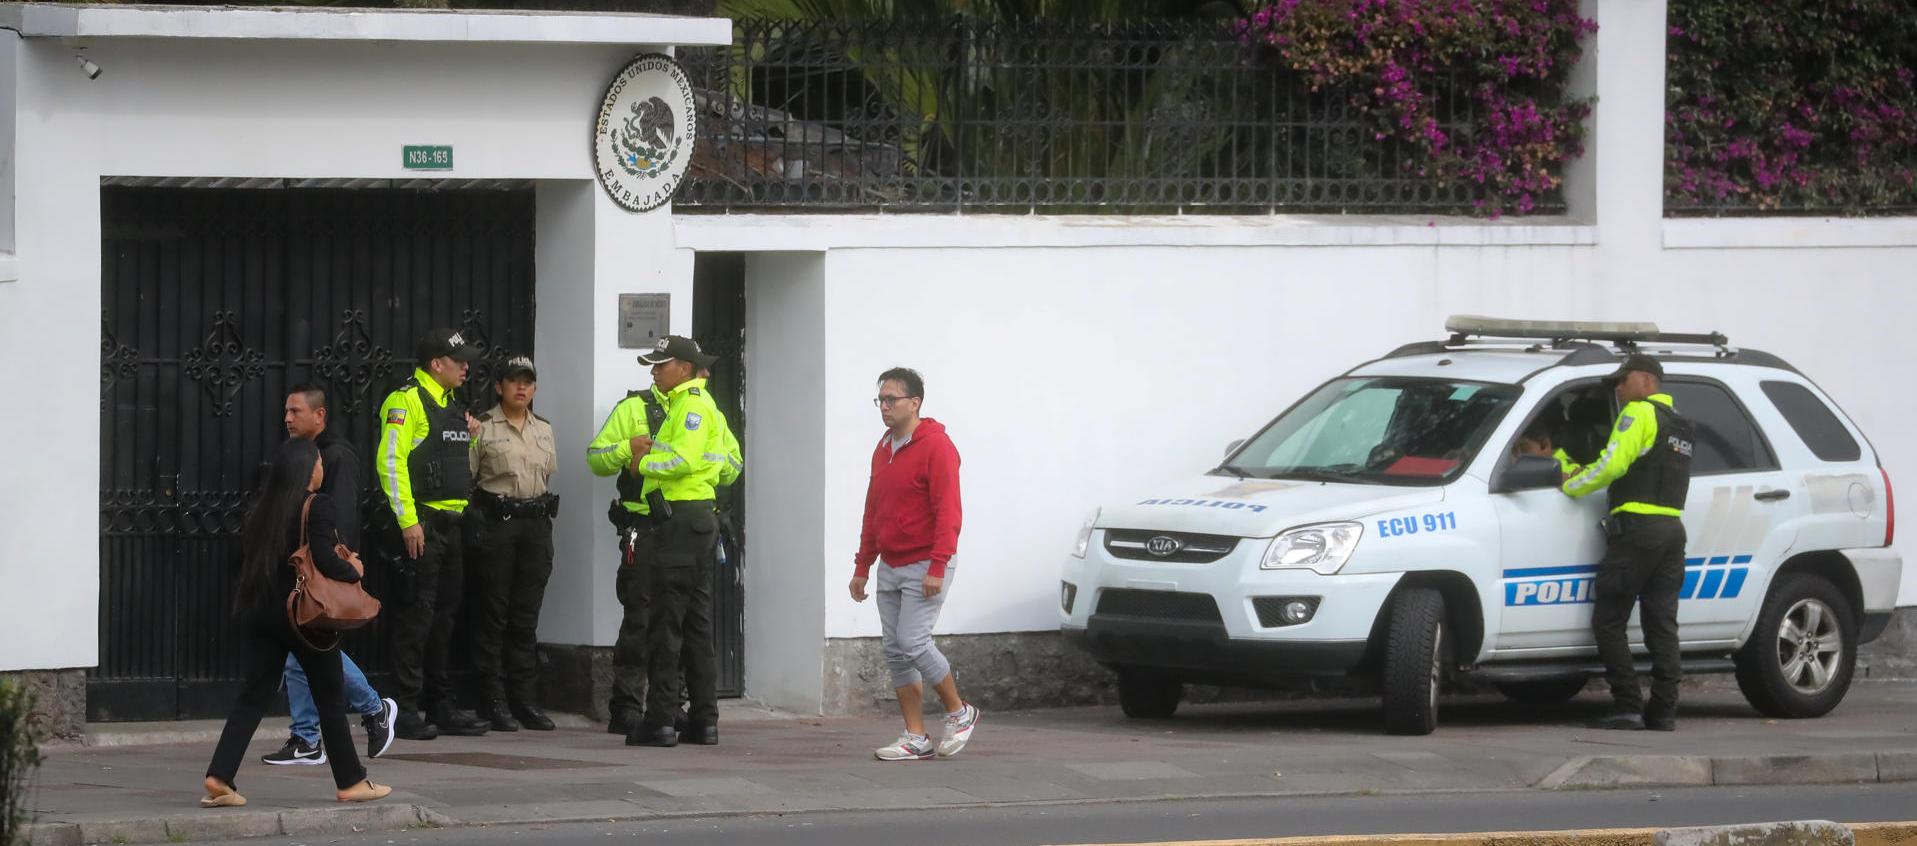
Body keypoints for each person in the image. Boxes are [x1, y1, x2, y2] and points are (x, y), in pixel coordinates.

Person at [202, 439, 391, 807]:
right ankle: (352, 781)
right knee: (330, 697)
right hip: (305, 616)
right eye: (319, 461)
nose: (322, 467)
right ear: (307, 469)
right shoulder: (316, 505)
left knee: (253, 696)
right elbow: (322, 558)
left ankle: (219, 775)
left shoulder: (264, 505)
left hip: (263, 613)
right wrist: (352, 569)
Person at [848, 367, 979, 761]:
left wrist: (938, 566)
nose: (884, 407)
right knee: (895, 650)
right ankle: (915, 735)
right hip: (891, 562)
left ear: (915, 402)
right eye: (881, 400)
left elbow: (948, 513)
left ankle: (960, 712)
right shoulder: (884, 447)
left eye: (892, 400)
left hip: (926, 561)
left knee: (913, 642)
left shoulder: (937, 447)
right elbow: (874, 510)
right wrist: (862, 566)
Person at [263, 385, 399, 766]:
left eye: (295, 411)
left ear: (319, 416)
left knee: (309, 649)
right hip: (299, 569)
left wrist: (342, 568)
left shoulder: (335, 455)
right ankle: (308, 737)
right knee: (300, 651)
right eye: (286, 411)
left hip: (319, 571)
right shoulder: (297, 454)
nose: (287, 418)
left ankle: (371, 710)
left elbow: (338, 516)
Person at [1561, 354, 1695, 732]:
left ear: (1646, 380)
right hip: (1671, 531)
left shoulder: (1639, 413)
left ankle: (1627, 706)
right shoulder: (1682, 425)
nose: (1618, 389)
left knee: (1608, 620)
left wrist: (1572, 484)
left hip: (1637, 531)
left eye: (1623, 381)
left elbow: (1613, 464)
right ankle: (1664, 710)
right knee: (1662, 624)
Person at [375, 328, 490, 740]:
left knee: (444, 618)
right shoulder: (406, 401)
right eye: (458, 360)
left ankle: (439, 703)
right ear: (435, 363)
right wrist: (408, 521)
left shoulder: (453, 405)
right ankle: (404, 709)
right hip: (422, 526)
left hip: (452, 527)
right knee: (416, 618)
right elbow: (391, 462)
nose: (466, 367)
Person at [626, 336, 729, 748]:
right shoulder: (702, 406)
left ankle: (661, 721)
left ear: (683, 368)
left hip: (680, 523)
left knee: (666, 624)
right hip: (696, 521)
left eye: (660, 364)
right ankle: (703, 720)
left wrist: (641, 463)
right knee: (695, 624)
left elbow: (681, 461)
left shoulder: (690, 406)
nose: (654, 372)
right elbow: (721, 463)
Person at [466, 356, 560, 732]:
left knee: (526, 617)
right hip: (498, 526)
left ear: (535, 388)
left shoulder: (545, 429)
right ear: (499, 386)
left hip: (535, 527)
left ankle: (525, 699)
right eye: (513, 381)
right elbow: (468, 481)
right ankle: (492, 698)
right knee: (494, 615)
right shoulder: (484, 428)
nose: (521, 388)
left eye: (528, 382)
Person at [586, 353, 671, 737]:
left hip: (683, 528)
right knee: (639, 617)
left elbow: (729, 462)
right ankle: (626, 707)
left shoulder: (698, 409)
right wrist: (627, 449)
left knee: (678, 620)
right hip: (642, 525)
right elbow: (596, 458)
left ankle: (670, 705)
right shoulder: (632, 407)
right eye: (656, 367)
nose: (657, 371)